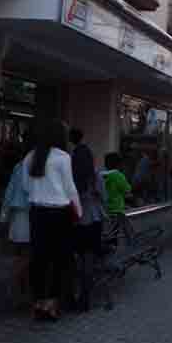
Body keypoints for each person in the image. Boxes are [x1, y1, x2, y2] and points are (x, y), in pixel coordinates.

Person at [23, 119, 80, 322]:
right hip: (59, 213)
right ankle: (52, 303)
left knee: (38, 258)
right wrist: (78, 211)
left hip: (37, 212)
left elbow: (25, 186)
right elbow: (70, 188)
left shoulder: (30, 156)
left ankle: (38, 302)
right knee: (59, 259)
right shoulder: (63, 157)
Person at [70, 129, 106, 312]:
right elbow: (103, 198)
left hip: (77, 221)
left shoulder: (72, 177)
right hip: (94, 220)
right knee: (89, 258)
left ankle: (73, 294)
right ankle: (86, 296)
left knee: (76, 257)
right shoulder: (96, 176)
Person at [0, 149, 32, 308]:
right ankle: (16, 289)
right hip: (28, 215)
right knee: (26, 255)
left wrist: (4, 215)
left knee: (21, 254)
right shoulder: (36, 166)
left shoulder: (19, 166)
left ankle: (19, 292)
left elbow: (9, 191)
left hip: (18, 214)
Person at [102, 153, 131, 235]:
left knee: (107, 233)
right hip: (116, 209)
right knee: (116, 233)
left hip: (104, 210)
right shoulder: (118, 175)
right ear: (119, 164)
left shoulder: (101, 175)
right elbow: (127, 189)